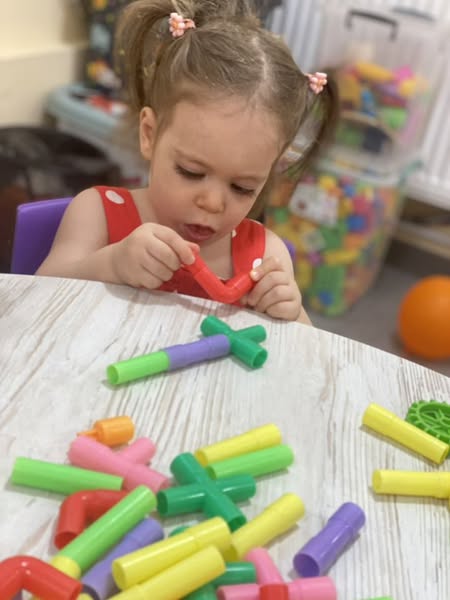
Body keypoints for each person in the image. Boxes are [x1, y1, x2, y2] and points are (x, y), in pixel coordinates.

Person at [37, 0, 337, 324]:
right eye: (191, 172)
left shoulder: (264, 255)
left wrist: (291, 313)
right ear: (149, 134)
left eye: (242, 187)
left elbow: (304, 347)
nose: (212, 203)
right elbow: (36, 295)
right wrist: (110, 265)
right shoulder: (97, 214)